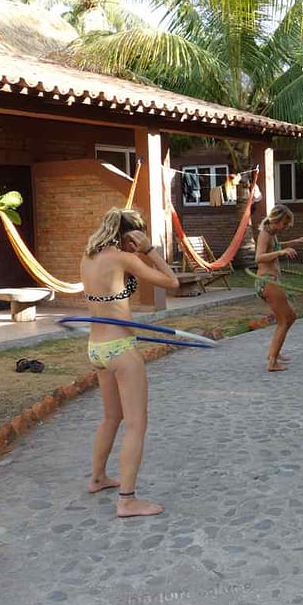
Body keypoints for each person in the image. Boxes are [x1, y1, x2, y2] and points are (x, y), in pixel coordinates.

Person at [80, 208, 179, 518]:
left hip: (96, 348)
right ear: (131, 237)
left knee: (112, 417)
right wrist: (151, 251)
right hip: (121, 349)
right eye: (138, 238)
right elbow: (171, 282)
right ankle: (127, 500)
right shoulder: (124, 258)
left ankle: (97, 478)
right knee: (136, 423)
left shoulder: (88, 257)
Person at [254, 204, 303, 371]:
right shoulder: (265, 234)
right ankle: (272, 361)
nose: (285, 227)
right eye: (285, 224)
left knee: (288, 318)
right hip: (268, 281)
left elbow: (274, 246)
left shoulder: (271, 233)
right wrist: (281, 253)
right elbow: (259, 257)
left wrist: (295, 242)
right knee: (286, 319)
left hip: (272, 280)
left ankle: (274, 353)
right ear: (277, 220)